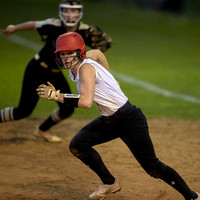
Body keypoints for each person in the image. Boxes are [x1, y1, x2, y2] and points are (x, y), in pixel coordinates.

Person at [36, 32, 199, 200]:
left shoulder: (85, 68)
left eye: (70, 53)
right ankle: (109, 183)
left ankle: (192, 196)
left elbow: (85, 102)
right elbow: (98, 53)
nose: (67, 57)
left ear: (80, 52)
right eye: (63, 54)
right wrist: (109, 77)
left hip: (129, 119)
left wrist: (57, 96)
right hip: (111, 120)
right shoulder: (78, 64)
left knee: (153, 168)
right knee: (78, 145)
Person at [0, 0, 112, 142]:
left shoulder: (84, 31)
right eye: (66, 10)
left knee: (67, 109)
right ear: (61, 12)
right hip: (37, 70)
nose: (70, 14)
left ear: (79, 12)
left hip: (55, 73)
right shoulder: (53, 25)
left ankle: (42, 130)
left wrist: (102, 48)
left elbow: (94, 51)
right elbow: (34, 24)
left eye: (74, 10)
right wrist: (14, 28)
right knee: (23, 111)